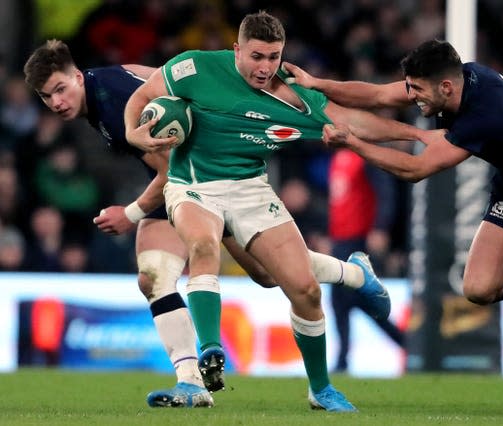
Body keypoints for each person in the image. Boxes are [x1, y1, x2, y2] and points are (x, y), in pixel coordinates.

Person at [24, 38, 393, 409]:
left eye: (60, 89)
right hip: (184, 180)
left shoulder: (111, 101)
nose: (56, 102)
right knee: (153, 277)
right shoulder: (103, 84)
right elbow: (147, 75)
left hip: (207, 178)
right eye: (46, 96)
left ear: (75, 75)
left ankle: (354, 274)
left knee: (267, 274)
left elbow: (169, 170)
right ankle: (190, 382)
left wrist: (131, 213)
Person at [124, 11, 420, 412]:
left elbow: (354, 121)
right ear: (236, 50)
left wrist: (417, 134)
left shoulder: (293, 98)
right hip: (192, 185)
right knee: (203, 246)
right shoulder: (192, 67)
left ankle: (321, 387)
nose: (265, 67)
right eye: (257, 56)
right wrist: (131, 131)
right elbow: (141, 96)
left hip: (250, 189)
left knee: (304, 289)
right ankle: (209, 353)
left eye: (274, 57)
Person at [284, 39, 503, 414]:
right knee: (478, 289)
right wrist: (318, 83)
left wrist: (352, 142)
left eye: (417, 89)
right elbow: (381, 95)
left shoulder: (484, 115)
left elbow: (415, 170)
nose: (412, 97)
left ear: (445, 87)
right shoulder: (457, 81)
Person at [328, 149, 404, 372]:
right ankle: (342, 360)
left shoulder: (366, 156)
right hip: (340, 240)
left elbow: (385, 193)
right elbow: (339, 202)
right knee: (343, 300)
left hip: (358, 241)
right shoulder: (339, 157)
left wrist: (380, 228)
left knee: (350, 299)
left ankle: (343, 360)